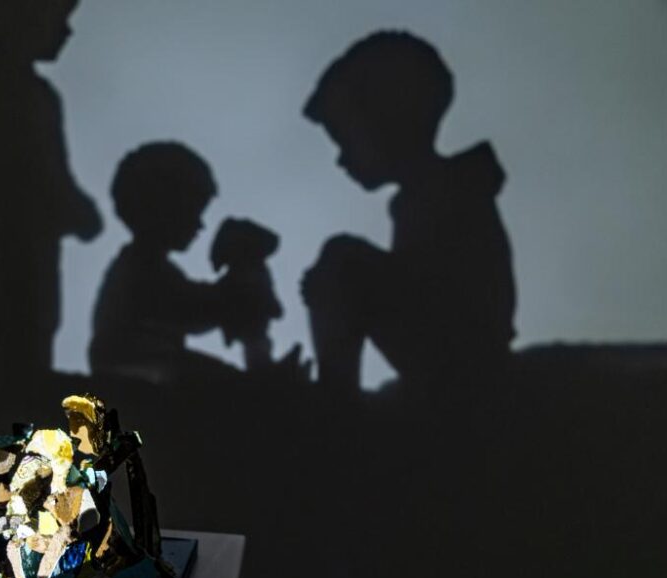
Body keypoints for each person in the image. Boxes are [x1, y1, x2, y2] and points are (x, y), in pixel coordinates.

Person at [301, 31, 516, 395]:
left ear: (389, 120)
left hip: (466, 358)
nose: (342, 159)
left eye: (346, 140)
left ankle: (335, 402)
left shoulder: (449, 190)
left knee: (343, 260)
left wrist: (344, 288)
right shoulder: (433, 192)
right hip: (458, 350)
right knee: (342, 266)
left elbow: (455, 298)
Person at [0, 0, 101, 373]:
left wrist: (73, 208)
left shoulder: (35, 94)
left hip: (31, 238)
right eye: (59, 20)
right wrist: (71, 208)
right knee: (10, 321)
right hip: (7, 235)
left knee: (35, 324)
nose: (66, 32)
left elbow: (53, 171)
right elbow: (26, 168)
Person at [89, 142, 236, 382]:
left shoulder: (146, 266)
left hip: (147, 366)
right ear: (164, 207)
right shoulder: (141, 269)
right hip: (135, 372)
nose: (200, 225)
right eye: (193, 211)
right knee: (217, 380)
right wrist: (229, 296)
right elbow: (186, 308)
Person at [209, 217, 285, 371]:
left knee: (257, 341)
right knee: (255, 341)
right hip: (249, 322)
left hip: (253, 323)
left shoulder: (257, 269)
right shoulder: (244, 274)